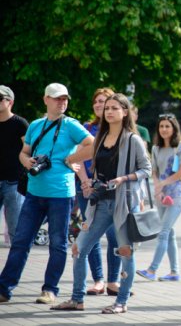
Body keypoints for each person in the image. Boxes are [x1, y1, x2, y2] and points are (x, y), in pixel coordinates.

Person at [51, 93, 152, 313]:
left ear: (125, 112)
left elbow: (146, 169)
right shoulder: (99, 139)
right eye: (107, 108)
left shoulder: (133, 139)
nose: (109, 111)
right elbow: (74, 160)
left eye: (115, 108)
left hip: (123, 203)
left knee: (125, 252)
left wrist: (123, 179)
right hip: (100, 204)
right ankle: (77, 300)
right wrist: (88, 182)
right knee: (79, 248)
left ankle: (121, 302)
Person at [0, 83, 94, 305]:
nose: (62, 102)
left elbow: (92, 143)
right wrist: (26, 161)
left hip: (61, 194)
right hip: (34, 192)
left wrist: (71, 159)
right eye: (57, 98)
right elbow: (24, 152)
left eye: (64, 99)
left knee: (57, 242)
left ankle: (50, 289)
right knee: (21, 241)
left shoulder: (71, 125)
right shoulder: (35, 125)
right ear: (46, 100)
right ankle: (4, 289)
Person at [74, 87, 122, 296]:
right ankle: (98, 280)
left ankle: (113, 281)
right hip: (87, 188)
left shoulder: (120, 130)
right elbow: (78, 158)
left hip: (113, 189)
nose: (99, 105)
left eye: (103, 101)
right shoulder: (87, 128)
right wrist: (85, 183)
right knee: (90, 234)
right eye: (96, 102)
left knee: (115, 236)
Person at [137, 113, 181, 281]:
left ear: (174, 128)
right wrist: (158, 189)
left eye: (167, 126)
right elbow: (154, 171)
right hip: (161, 195)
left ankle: (152, 270)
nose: (164, 129)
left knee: (163, 231)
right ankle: (175, 272)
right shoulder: (155, 148)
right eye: (161, 126)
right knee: (170, 233)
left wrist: (163, 184)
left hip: (176, 195)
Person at [0, 85, 28, 243]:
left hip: (14, 182)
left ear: (10, 102)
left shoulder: (20, 124)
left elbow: (29, 151)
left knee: (15, 229)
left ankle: (15, 266)